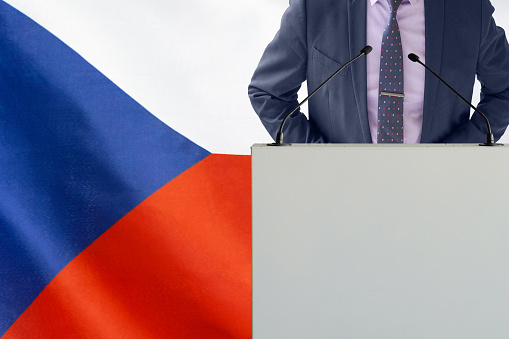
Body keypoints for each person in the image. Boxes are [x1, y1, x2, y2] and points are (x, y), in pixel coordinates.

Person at [248, 0, 509, 144]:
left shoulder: (470, 9)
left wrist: (459, 153)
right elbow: (269, 92)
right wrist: (318, 157)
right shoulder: (315, 6)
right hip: (337, 194)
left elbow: (504, 90)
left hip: (439, 192)